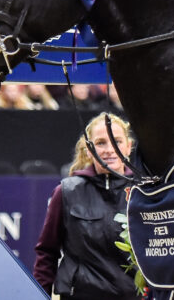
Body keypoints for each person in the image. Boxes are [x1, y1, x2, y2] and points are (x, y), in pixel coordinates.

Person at [34, 112, 138, 299]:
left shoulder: (143, 192)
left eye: (117, 141)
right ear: (89, 150)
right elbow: (47, 253)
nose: (110, 149)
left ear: (129, 147)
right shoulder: (66, 192)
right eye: (100, 143)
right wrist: (39, 295)